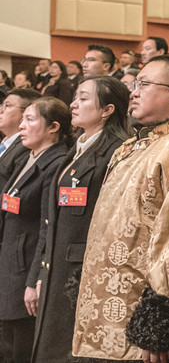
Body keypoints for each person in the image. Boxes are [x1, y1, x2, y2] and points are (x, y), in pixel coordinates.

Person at [73, 55, 169, 361]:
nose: (134, 93)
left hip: (141, 312)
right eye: (135, 85)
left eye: (144, 84)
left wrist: (160, 320)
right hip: (103, 303)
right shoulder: (132, 144)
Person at [31, 77, 131, 363]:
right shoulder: (79, 146)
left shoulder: (118, 151)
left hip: (85, 271)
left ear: (107, 110)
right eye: (75, 97)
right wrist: (41, 273)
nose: (73, 104)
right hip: (58, 265)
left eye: (84, 98)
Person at [0, 97, 71, 363]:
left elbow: (48, 228)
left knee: (20, 350)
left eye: (29, 120)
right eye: (22, 119)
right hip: (10, 265)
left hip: (26, 268)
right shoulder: (26, 157)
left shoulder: (57, 163)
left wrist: (35, 280)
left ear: (53, 127)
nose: (21, 126)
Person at [0, 89, 41, 189]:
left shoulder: (25, 147)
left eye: (7, 105)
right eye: (2, 105)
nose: (1, 110)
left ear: (27, 112)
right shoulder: (5, 143)